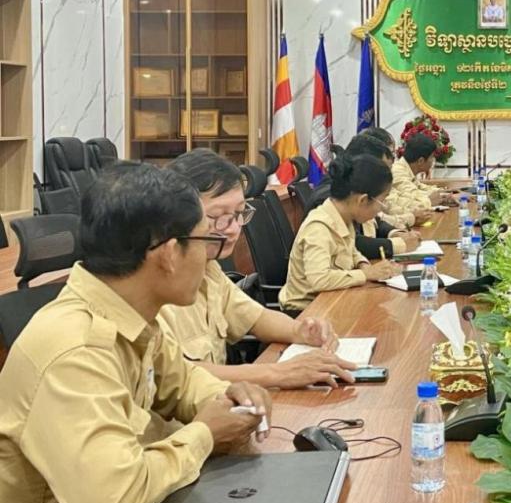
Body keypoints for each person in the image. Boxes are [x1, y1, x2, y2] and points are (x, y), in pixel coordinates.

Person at [0, 162, 272, 503]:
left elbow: (182, 383)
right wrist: (205, 434)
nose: (210, 255)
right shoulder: (75, 351)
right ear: (169, 254)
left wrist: (228, 399)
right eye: (205, 240)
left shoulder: (132, 313)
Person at [159, 149, 356, 389]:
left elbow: (256, 318)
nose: (234, 228)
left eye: (239, 213)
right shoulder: (155, 284)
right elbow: (175, 375)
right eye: (220, 216)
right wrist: (278, 372)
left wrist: (300, 331)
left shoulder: (209, 269)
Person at [281, 154, 401, 312]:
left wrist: (363, 264)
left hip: (332, 301)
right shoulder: (319, 227)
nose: (382, 208)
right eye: (382, 201)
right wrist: (366, 274)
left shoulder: (344, 216)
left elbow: (351, 251)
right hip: (306, 312)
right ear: (362, 200)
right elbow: (319, 279)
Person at [344, 134, 423, 257]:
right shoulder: (331, 195)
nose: (387, 175)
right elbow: (352, 242)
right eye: (383, 169)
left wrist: (395, 233)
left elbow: (374, 221)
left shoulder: (355, 186)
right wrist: (397, 245)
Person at [385, 132, 455, 216]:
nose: (433, 160)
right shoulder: (397, 171)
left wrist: (442, 193)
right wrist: (429, 201)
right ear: (421, 161)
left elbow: (420, 188)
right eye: (432, 157)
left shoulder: (406, 169)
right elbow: (412, 196)